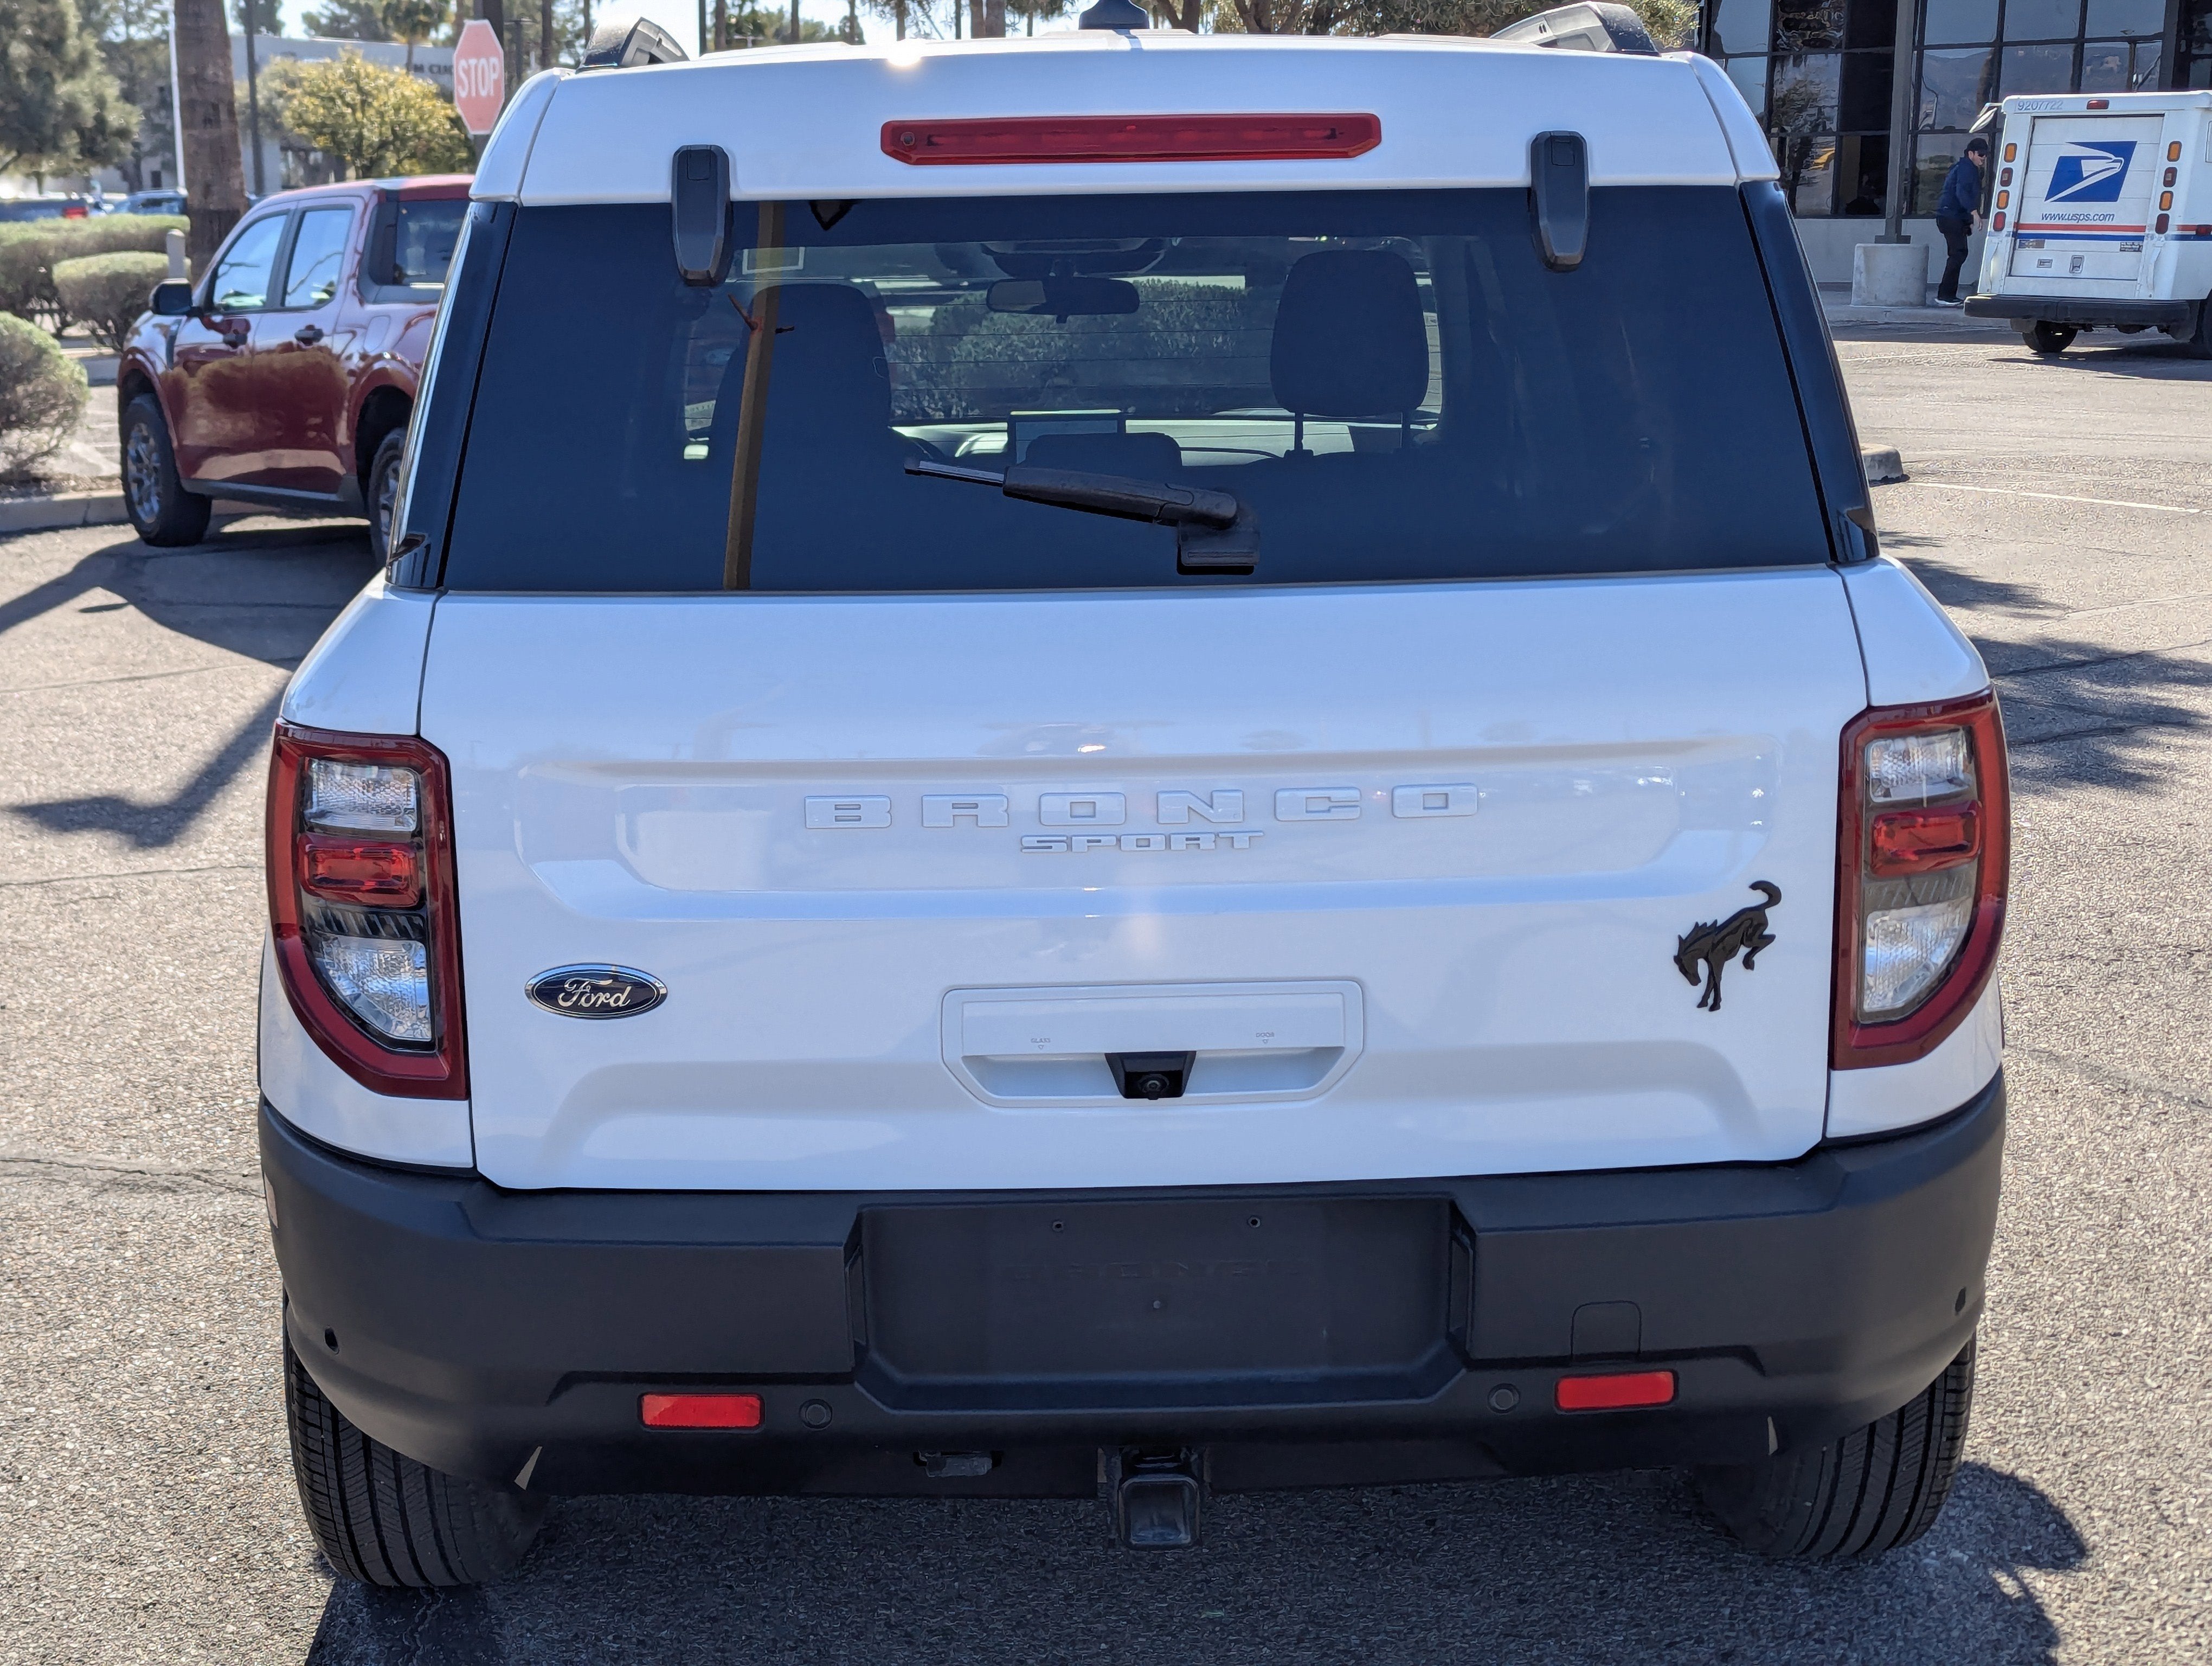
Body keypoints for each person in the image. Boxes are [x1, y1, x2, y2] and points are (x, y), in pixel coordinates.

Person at [1933, 137, 1989, 307]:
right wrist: (1974, 213)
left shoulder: (1964, 167)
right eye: (1981, 154)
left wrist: (1968, 220)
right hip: (1951, 217)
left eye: (1986, 155)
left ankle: (1947, 294)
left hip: (1951, 217)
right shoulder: (1967, 168)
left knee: (1958, 253)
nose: (1983, 158)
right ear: (1971, 153)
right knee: (1958, 254)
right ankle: (1945, 295)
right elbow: (1962, 191)